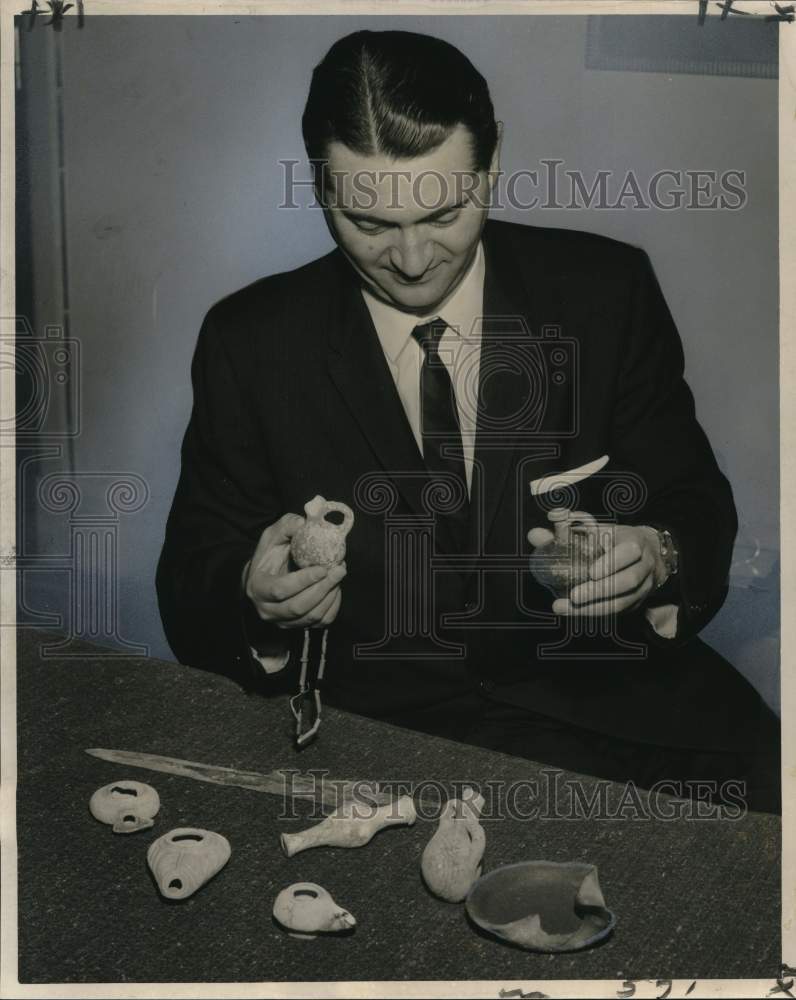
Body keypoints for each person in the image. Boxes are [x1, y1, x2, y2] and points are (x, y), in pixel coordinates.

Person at [156, 29, 779, 812]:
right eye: (370, 224)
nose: (413, 259)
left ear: (493, 164)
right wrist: (259, 599)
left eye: (446, 211)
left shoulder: (605, 291)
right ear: (319, 187)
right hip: (381, 741)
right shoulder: (248, 341)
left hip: (624, 717)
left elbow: (693, 503)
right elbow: (190, 581)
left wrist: (652, 554)